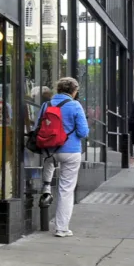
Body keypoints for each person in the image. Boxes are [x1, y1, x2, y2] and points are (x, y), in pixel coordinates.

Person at [38, 77, 89, 238]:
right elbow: (83, 132)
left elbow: (37, 127)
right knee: (66, 190)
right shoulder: (75, 105)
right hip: (70, 150)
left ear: (58, 89)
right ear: (74, 91)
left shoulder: (46, 105)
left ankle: (46, 188)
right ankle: (61, 228)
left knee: (49, 166)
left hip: (49, 151)